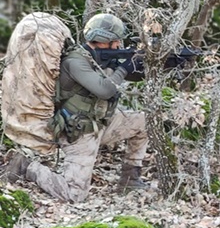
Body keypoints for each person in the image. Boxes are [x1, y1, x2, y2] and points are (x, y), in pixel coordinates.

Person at [1, 13, 149, 203]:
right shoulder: (76, 61)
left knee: (145, 122)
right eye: (116, 40)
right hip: (79, 132)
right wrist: (125, 67)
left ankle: (130, 179)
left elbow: (127, 76)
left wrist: (155, 65)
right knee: (74, 195)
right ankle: (26, 166)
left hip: (101, 123)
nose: (120, 44)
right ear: (104, 40)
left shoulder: (99, 58)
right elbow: (104, 90)